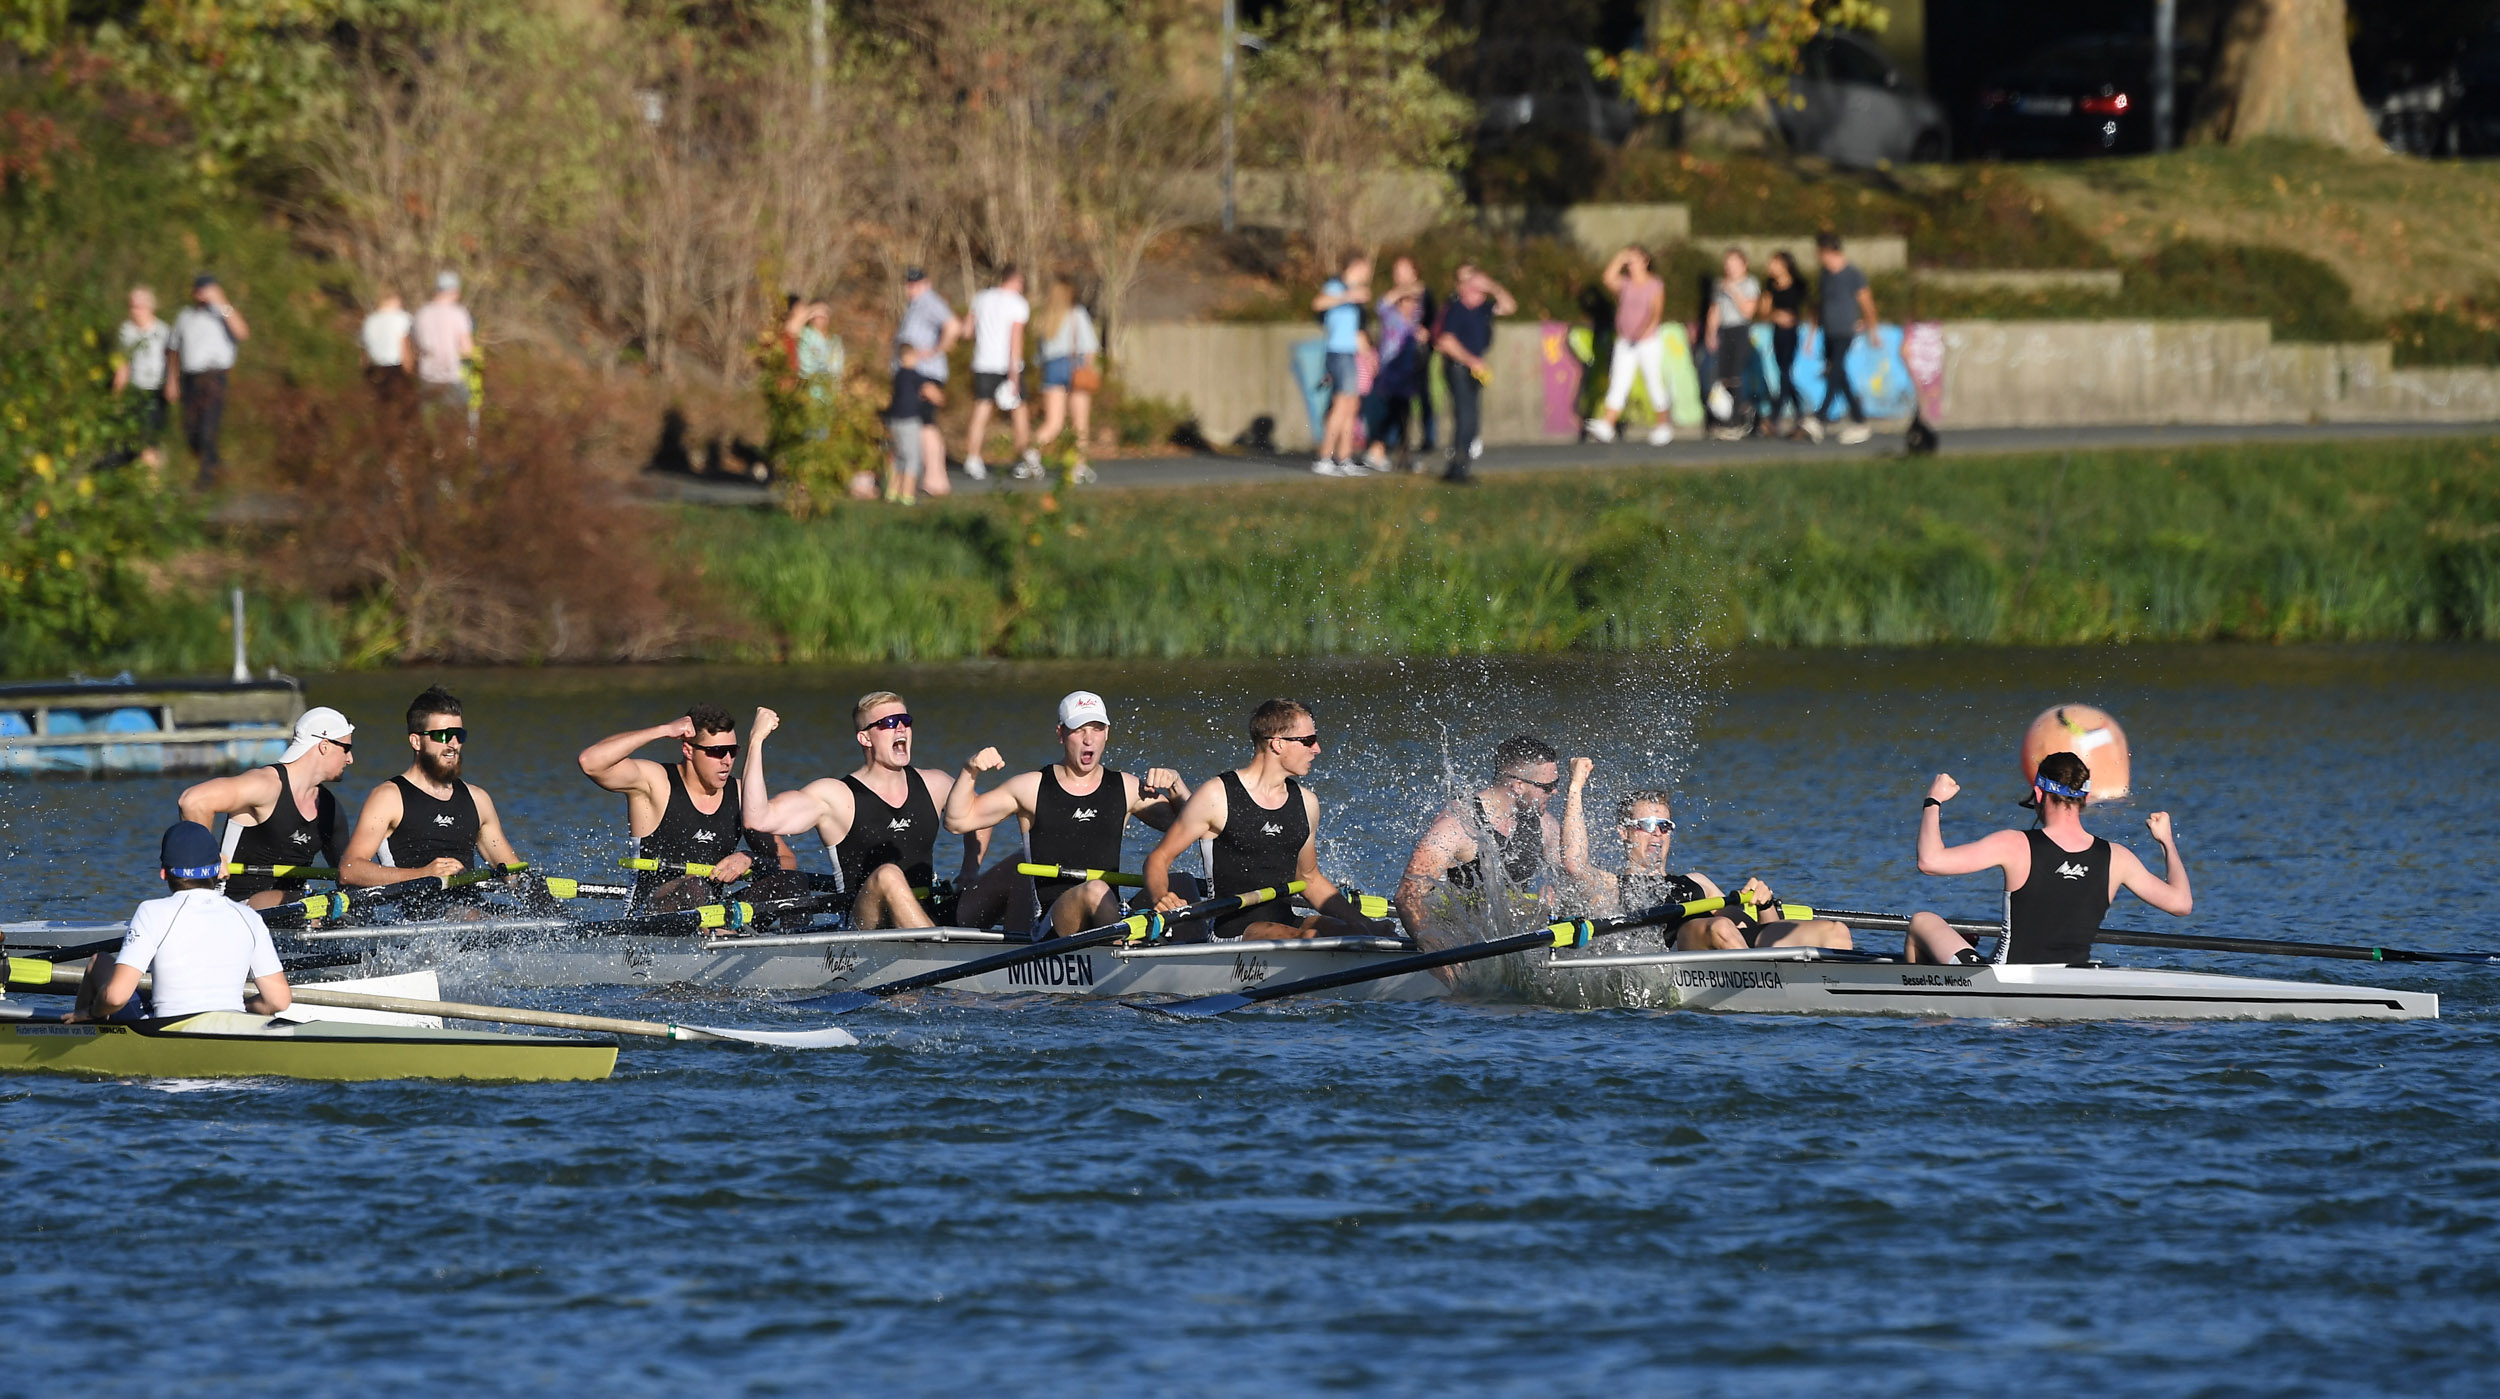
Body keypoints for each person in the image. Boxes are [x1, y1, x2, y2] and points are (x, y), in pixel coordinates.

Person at [1903, 752, 2192, 965]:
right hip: (2071, 981)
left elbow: (1930, 861)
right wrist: (2166, 841)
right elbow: (2181, 904)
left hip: (2005, 979)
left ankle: (1922, 996)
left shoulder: (2014, 844)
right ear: (2084, 799)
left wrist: (1933, 801)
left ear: (2039, 794)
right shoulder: (2118, 857)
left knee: (1922, 920)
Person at [941, 690, 1190, 937]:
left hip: (1106, 914)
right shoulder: (1030, 788)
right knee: (1094, 890)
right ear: (1061, 734)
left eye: (1096, 728)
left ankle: (1196, 958)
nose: (1088, 739)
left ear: (1107, 734)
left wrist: (1176, 786)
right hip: (1052, 925)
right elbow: (956, 821)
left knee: (1183, 882)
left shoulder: (1127, 787)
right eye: (1079, 729)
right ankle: (1130, 949)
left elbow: (1195, 826)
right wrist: (969, 770)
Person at [1142, 699, 1386, 942]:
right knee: (1311, 936)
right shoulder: (1217, 796)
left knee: (1362, 933)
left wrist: (1364, 924)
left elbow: (1308, 878)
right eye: (1308, 741)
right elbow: (1159, 858)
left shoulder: (1307, 803)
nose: (1317, 749)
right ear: (1278, 744)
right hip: (1232, 933)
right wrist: (1161, 896)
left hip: (1288, 925)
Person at [739, 692, 985, 930]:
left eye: (905, 721)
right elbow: (757, 818)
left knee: (1012, 868)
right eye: (889, 723)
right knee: (888, 874)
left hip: (927, 913)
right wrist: (756, 740)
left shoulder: (935, 784)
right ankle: (938, 956)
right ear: (865, 739)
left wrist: (969, 872)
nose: (901, 728)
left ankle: (1015, 953)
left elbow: (982, 813)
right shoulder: (837, 796)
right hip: (865, 926)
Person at [1558, 761, 1853, 950]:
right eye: (1647, 826)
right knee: (1720, 927)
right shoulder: (1608, 885)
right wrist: (1576, 787)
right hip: (1679, 952)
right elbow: (1572, 863)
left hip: (1735, 948)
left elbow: (1766, 932)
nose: (1658, 833)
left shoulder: (1698, 882)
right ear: (1624, 832)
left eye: (1664, 826)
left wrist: (1765, 903)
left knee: (1836, 931)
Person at [576, 705, 799, 912]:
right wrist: (663, 730)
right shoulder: (657, 783)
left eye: (733, 751)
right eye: (717, 751)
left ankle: (797, 945)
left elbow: (788, 861)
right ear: (688, 750)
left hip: (709, 916)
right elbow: (590, 762)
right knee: (695, 885)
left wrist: (749, 858)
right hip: (650, 916)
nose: (727, 760)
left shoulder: (740, 794)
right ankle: (717, 937)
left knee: (792, 882)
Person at [72, 822, 290, 1023]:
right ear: (219, 869)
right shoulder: (249, 916)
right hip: (230, 1025)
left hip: (167, 1030)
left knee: (100, 961)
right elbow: (278, 1001)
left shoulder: (151, 912)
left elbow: (115, 998)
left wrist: (92, 1011)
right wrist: (242, 1009)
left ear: (164, 873)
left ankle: (79, 1029)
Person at [340, 686, 528, 893]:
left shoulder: (478, 799)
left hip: (470, 916)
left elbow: (514, 874)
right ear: (416, 741)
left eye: (459, 735)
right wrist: (423, 874)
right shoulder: (389, 797)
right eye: (443, 736)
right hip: (413, 917)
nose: (453, 744)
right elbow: (350, 870)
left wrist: (541, 896)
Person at [174, 706, 356, 911]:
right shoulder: (265, 785)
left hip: (296, 910)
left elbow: (349, 873)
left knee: (343, 910)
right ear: (324, 746)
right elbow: (193, 801)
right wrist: (207, 858)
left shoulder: (331, 809)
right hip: (231, 905)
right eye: (346, 749)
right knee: (311, 905)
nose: (350, 759)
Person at [1393, 735, 1566, 947]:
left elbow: (1573, 874)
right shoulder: (1456, 827)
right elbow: (1407, 897)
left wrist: (1555, 893)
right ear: (1518, 786)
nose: (1556, 791)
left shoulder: (1544, 824)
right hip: (1458, 940)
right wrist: (1438, 952)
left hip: (1508, 938)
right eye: (1548, 786)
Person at [1432, 262, 1516, 484]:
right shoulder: (1456, 309)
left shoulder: (1482, 309)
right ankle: (1456, 470)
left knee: (1473, 420)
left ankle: (1462, 467)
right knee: (1466, 418)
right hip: (1459, 368)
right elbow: (1446, 341)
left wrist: (1492, 287)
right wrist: (1471, 361)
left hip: (1474, 370)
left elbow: (1509, 307)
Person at [1585, 246, 1674, 447]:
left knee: (1653, 382)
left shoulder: (1654, 284)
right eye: (1629, 260)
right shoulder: (1625, 284)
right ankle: (1607, 425)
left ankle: (1663, 426)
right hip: (1625, 340)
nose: (1630, 263)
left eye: (1634, 259)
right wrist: (1620, 256)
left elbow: (1655, 312)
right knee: (1618, 381)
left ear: (1645, 261)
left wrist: (1643, 333)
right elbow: (1607, 278)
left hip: (1647, 341)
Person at [168, 273, 249, 488]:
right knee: (191, 429)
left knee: (207, 428)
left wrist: (221, 302)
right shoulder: (186, 316)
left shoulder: (224, 313)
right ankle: (216, 465)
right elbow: (173, 349)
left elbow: (242, 332)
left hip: (214, 377)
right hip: (190, 378)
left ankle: (206, 479)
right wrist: (172, 380)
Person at [963, 267, 1038, 483]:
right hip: (1007, 365)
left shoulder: (981, 298)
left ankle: (972, 458)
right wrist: (1014, 374)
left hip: (983, 362)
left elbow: (967, 331)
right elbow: (1016, 340)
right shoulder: (1017, 303)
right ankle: (1023, 457)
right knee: (1019, 412)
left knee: (981, 410)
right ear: (1014, 281)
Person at [895, 266, 961, 497]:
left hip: (925, 374)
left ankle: (935, 478)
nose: (910, 288)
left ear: (926, 283)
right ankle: (934, 477)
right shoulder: (915, 305)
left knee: (924, 423)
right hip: (914, 374)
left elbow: (953, 326)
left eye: (915, 283)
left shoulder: (929, 302)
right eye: (908, 283)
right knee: (921, 424)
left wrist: (935, 350)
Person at [1029, 276, 1099, 483]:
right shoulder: (1077, 314)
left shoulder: (1046, 317)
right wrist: (1090, 368)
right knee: (1080, 424)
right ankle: (1078, 467)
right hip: (1074, 366)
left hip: (1051, 369)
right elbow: (1090, 348)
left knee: (1053, 422)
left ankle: (1031, 451)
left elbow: (1038, 356)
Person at [1811, 231, 1877, 446]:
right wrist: (1813, 333)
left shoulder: (1853, 275)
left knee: (1835, 371)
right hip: (1828, 332)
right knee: (1839, 375)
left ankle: (1820, 417)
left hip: (1845, 332)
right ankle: (1859, 420)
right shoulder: (1825, 275)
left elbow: (1867, 303)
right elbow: (1820, 305)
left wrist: (1871, 329)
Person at [1310, 253, 1373, 476]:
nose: (1368, 274)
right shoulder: (1336, 286)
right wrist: (1347, 296)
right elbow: (1317, 303)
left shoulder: (1357, 296)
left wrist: (1368, 355)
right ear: (1355, 265)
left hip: (1351, 353)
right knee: (1341, 404)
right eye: (1366, 268)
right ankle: (1324, 457)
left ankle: (1344, 458)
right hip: (1338, 352)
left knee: (1352, 405)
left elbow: (1356, 331)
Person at [1361, 287, 1429, 473]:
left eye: (1414, 302)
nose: (1412, 306)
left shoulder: (1413, 322)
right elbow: (1381, 304)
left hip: (1407, 376)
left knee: (1403, 418)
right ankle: (1377, 450)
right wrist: (1403, 288)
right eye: (1408, 301)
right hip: (1391, 375)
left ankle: (1401, 456)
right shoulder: (1392, 317)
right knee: (1393, 415)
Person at [111, 285, 174, 468]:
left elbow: (172, 363)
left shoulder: (163, 331)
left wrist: (172, 385)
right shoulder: (126, 331)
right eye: (131, 306)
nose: (134, 310)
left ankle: (152, 488)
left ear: (150, 307)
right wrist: (116, 397)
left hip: (156, 391)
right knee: (133, 442)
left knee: (148, 443)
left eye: (139, 306)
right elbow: (123, 366)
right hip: (134, 391)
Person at [1384, 256, 1439, 455]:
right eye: (1396, 272)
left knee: (1423, 394)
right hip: (1395, 354)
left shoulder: (1425, 294)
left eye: (1403, 270)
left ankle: (1429, 437)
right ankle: (1394, 439)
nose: (1399, 276)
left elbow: (1434, 319)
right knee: (1396, 398)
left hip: (1418, 351)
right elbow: (1382, 309)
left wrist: (1427, 332)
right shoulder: (1393, 295)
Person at [1703, 249, 1759, 441]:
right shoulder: (1720, 284)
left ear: (1744, 264)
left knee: (1736, 373)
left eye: (1734, 262)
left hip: (1740, 330)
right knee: (1723, 375)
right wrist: (1710, 333)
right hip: (1724, 331)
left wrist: (1733, 291)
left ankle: (1736, 419)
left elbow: (1748, 311)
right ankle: (1725, 417)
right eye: (1727, 263)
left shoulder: (1750, 283)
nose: (1730, 267)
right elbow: (1715, 309)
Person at [883, 345, 944, 506]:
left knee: (899, 456)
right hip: (909, 420)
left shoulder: (897, 375)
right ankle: (908, 495)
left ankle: (892, 492)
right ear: (910, 357)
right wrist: (939, 399)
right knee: (912, 458)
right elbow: (932, 392)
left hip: (894, 420)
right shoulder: (914, 375)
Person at [1760, 251, 1809, 439]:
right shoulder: (1770, 286)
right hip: (1777, 333)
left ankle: (1774, 418)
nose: (1770, 267)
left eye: (1774, 263)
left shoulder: (1799, 284)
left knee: (1785, 374)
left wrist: (1795, 319)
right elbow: (1763, 312)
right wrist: (1776, 315)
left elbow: (1809, 308)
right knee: (1785, 375)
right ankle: (1802, 416)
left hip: (1792, 333)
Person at [412, 271, 476, 412]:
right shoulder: (459, 313)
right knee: (454, 424)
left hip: (427, 376)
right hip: (453, 377)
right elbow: (467, 348)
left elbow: (415, 347)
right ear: (455, 290)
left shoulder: (421, 313)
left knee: (430, 425)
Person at [360, 290, 415, 407]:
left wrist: (364, 371)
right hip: (396, 368)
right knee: (399, 405)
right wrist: (409, 370)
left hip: (374, 368)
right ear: (395, 300)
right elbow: (405, 345)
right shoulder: (402, 318)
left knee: (379, 405)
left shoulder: (369, 320)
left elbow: (364, 350)